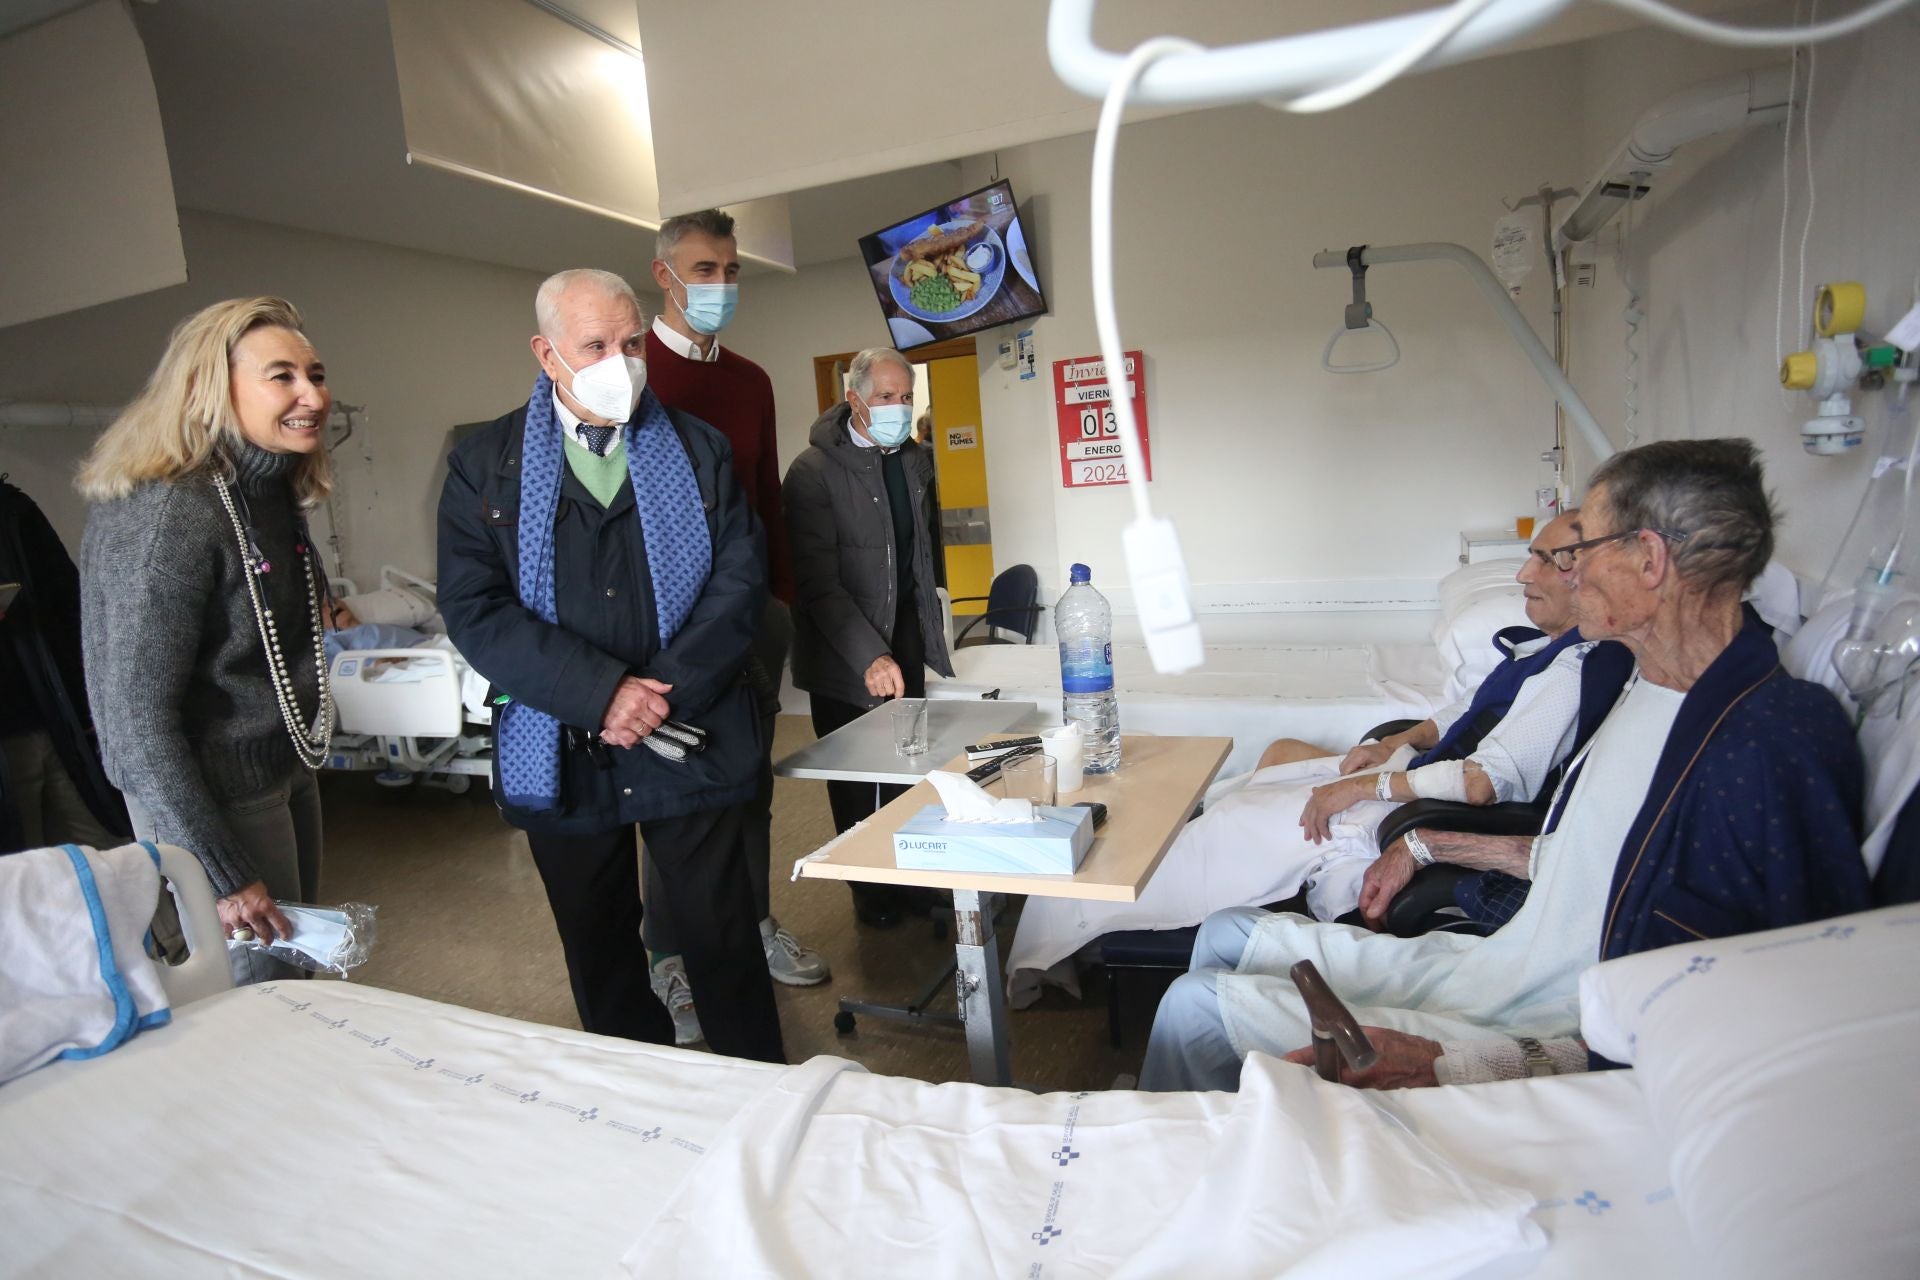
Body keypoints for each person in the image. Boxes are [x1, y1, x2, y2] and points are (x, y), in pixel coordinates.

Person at [1141, 438, 1873, 1092]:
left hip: (1559, 1025)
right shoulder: (1646, 687)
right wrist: (1424, 843)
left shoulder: (1767, 740)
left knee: (1194, 1009)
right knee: (1228, 932)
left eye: (1583, 545)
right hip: (1506, 968)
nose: (1567, 571)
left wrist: (1459, 1066)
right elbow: (1582, 860)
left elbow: (1737, 1025)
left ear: (1649, 560)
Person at [1006, 511, 1632, 1000]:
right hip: (1409, 775)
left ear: (1587, 570)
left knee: (1221, 824)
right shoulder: (1545, 649)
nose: (1525, 575)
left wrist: (1362, 788)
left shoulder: (1571, 673)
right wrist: (1395, 741)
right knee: (1262, 771)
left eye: (1544, 560)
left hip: (1418, 807)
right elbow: (1469, 709)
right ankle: (1099, 919)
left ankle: (1069, 927)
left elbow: (1483, 782)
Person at [437, 268, 784, 1064]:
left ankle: (761, 1091)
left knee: (722, 939)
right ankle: (636, 1095)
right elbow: (474, 607)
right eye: (595, 345)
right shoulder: (485, 464)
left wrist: (657, 695)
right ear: (547, 353)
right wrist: (601, 695)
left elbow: (740, 584)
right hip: (561, 741)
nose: (620, 360)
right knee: (599, 949)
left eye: (631, 342)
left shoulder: (698, 449)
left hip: (689, 730)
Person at [77, 297, 335, 983]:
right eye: (281, 376)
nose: (312, 393)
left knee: (296, 983)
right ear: (210, 390)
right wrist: (220, 872)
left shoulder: (267, 489)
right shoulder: (169, 513)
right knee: (260, 1004)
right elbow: (132, 726)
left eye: (315, 372)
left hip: (284, 770)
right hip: (214, 798)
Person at [643, 209, 826, 1044]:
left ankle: (752, 925)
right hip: (666, 634)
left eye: (729, 270)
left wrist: (781, 602)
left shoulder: (750, 381)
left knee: (749, 789)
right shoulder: (628, 372)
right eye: (702, 269)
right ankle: (670, 959)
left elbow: (764, 503)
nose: (718, 285)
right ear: (664, 275)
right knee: (673, 799)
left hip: (753, 618)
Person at [785, 347, 954, 928]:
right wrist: (870, 655)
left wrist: (927, 632)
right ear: (854, 398)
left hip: (902, 635)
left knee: (904, 768)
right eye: (885, 396)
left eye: (906, 397)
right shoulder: (812, 473)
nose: (898, 408)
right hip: (842, 648)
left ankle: (908, 879)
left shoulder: (916, 461)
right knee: (857, 780)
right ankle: (870, 893)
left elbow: (920, 556)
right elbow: (817, 584)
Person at [0, 477, 130, 854]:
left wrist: (90, 706)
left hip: (58, 720)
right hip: (10, 744)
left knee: (106, 855)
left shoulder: (13, 510)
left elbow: (71, 604)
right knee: (27, 881)